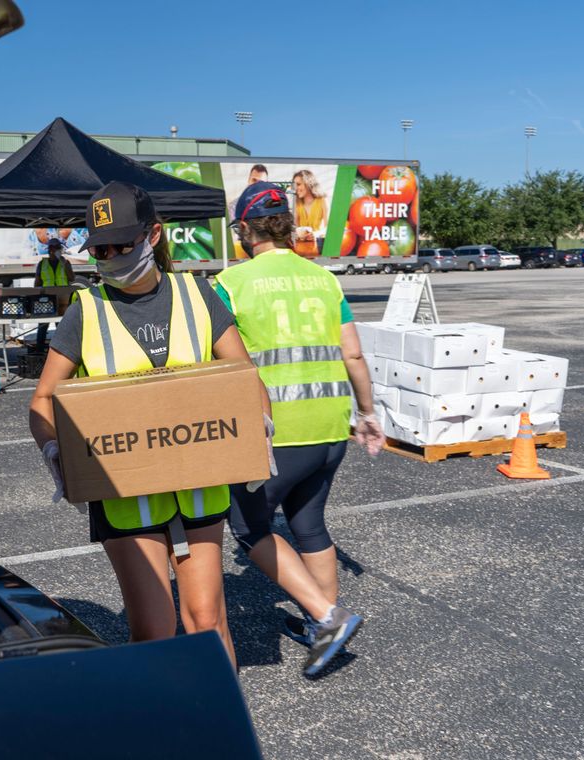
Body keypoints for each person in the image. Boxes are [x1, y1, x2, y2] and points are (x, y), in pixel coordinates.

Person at [29, 181, 273, 668]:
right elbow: (43, 400)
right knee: (153, 627)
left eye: (122, 244)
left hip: (201, 486)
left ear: (154, 235)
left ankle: (218, 725)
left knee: (207, 619)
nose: (112, 255)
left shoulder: (198, 294)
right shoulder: (87, 310)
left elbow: (244, 377)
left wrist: (257, 425)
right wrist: (58, 452)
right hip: (125, 496)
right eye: (100, 247)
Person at [215, 181, 385, 676]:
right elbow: (352, 352)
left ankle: (328, 616)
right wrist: (367, 413)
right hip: (331, 425)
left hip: (276, 431)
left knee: (248, 527)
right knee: (308, 523)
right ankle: (321, 631)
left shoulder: (231, 283)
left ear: (245, 229)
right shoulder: (325, 280)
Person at [32, 238, 74, 349]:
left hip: (62, 299)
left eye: (60, 248)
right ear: (51, 249)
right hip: (46, 298)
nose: (59, 250)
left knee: (61, 326)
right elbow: (37, 281)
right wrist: (36, 296)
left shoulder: (65, 262)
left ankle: (63, 349)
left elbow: (71, 278)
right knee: (42, 325)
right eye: (57, 248)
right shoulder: (42, 264)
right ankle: (40, 349)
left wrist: (66, 265)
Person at [291, 169, 326, 256]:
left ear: (308, 183)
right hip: (301, 249)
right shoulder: (297, 204)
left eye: (298, 184)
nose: (296, 188)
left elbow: (328, 227)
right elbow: (296, 227)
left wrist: (315, 234)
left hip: (317, 247)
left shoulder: (322, 200)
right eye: (295, 185)